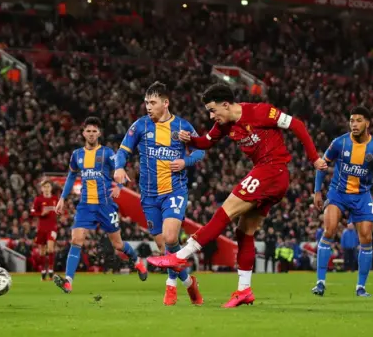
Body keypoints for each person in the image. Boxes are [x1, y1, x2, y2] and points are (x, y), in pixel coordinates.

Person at [147, 83, 326, 308]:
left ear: (225, 104)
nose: (211, 116)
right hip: (269, 175)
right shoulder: (224, 125)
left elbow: (297, 125)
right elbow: (206, 142)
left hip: (272, 170)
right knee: (244, 232)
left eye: (213, 110)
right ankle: (244, 290)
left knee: (225, 210)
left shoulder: (260, 111)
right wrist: (189, 140)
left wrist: (314, 158)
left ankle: (180, 256)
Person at [113, 82, 205, 306]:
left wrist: (186, 160)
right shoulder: (140, 126)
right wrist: (118, 167)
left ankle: (170, 287)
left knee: (171, 237)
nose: (148, 107)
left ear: (166, 103)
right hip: (149, 195)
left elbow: (201, 149)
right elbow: (123, 151)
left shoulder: (182, 126)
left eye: (152, 103)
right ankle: (188, 283)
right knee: (164, 247)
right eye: (146, 102)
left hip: (175, 190)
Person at [53, 116, 147, 294]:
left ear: (99, 133)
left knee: (118, 245)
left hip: (105, 205)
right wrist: (62, 198)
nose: (91, 134)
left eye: (94, 131)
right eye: (88, 130)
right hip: (85, 205)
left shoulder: (107, 153)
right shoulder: (77, 155)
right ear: (83, 133)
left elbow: (120, 170)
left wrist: (119, 186)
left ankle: (137, 263)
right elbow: (72, 176)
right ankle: (68, 281)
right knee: (76, 239)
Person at [312, 106, 373, 297]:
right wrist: (317, 192)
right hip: (338, 193)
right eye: (351, 120)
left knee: (366, 238)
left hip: (362, 195)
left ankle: (360, 287)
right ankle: (320, 283)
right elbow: (321, 165)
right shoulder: (339, 143)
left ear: (367, 123)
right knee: (330, 229)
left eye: (358, 120)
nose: (354, 124)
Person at [31, 180, 59, 281]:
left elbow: (60, 210)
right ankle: (43, 270)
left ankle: (51, 269)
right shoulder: (38, 199)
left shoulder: (55, 199)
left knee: (50, 248)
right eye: (45, 187)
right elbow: (33, 211)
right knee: (42, 251)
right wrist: (41, 214)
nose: (46, 189)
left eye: (48, 187)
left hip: (52, 227)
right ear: (42, 188)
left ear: (51, 188)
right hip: (41, 228)